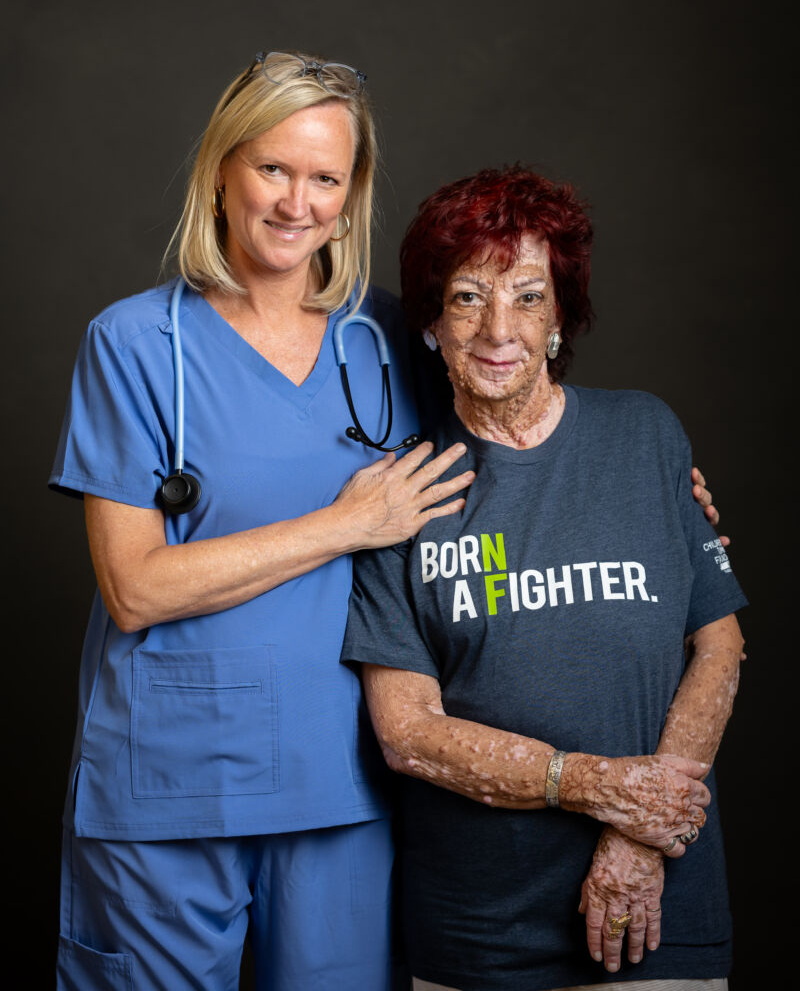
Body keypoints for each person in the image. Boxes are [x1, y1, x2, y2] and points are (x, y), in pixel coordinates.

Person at [49, 50, 476, 991]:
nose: (296, 203)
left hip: (345, 783)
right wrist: (342, 523)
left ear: (351, 192)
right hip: (168, 789)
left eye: (325, 177)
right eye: (272, 168)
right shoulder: (136, 345)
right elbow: (134, 587)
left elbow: (517, 446)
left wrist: (653, 489)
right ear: (221, 169)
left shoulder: (397, 338)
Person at [342, 165, 745, 991]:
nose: (499, 328)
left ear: (561, 314)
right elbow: (408, 733)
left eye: (528, 296)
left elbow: (719, 645)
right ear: (429, 323)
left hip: (660, 908)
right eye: (466, 297)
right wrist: (598, 786)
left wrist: (638, 835)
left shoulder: (645, 435)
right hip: (477, 930)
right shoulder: (401, 496)